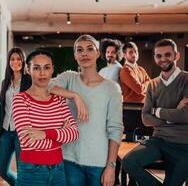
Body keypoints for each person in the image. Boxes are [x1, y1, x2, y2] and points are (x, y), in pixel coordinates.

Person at [49, 34, 124, 186]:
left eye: (90, 49)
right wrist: (74, 95)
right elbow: (43, 86)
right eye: (79, 50)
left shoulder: (112, 88)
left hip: (98, 163)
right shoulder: (69, 78)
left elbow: (115, 129)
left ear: (98, 53)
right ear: (75, 55)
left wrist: (111, 166)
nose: (84, 53)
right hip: (68, 159)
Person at [122, 39, 188, 186]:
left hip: (183, 145)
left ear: (176, 56)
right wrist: (172, 116)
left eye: (167, 55)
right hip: (158, 140)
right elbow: (145, 118)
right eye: (159, 56)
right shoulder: (152, 84)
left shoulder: (186, 80)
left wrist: (156, 111)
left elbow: (185, 115)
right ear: (155, 58)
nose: (163, 59)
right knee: (128, 162)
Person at [12, 50, 79, 186]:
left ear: (52, 70)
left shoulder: (59, 100)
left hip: (58, 170)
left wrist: (44, 134)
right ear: (28, 70)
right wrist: (60, 137)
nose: (42, 73)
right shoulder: (20, 100)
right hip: (31, 171)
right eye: (36, 68)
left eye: (47, 67)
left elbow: (74, 133)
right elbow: (28, 140)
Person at [0, 47, 31, 185]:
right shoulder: (5, 82)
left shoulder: (29, 81)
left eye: (18, 59)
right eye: (12, 59)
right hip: (5, 131)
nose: (15, 62)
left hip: (21, 132)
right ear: (8, 61)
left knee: (22, 170)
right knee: (1, 169)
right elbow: (1, 110)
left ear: (23, 61)